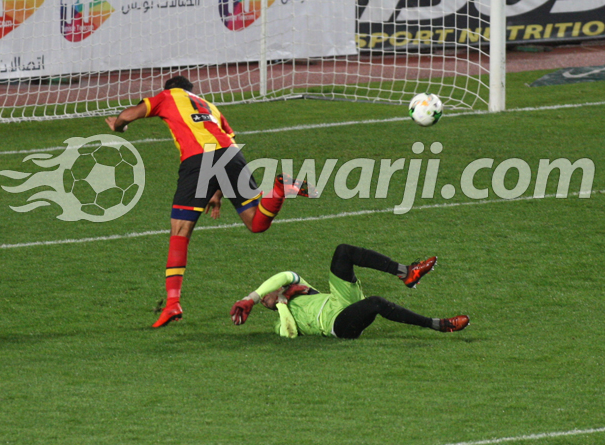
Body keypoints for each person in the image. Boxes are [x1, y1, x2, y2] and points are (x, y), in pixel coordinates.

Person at [107, 75, 312, 328]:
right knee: (256, 223)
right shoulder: (209, 106)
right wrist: (216, 190)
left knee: (180, 231)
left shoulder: (167, 97)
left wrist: (118, 126)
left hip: (198, 159)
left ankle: (172, 303)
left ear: (168, 89)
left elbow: (128, 115)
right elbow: (227, 138)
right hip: (231, 154)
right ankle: (279, 188)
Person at [229, 244, 470, 339]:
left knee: (343, 251)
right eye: (264, 303)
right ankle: (437, 324)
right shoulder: (283, 315)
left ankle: (405, 272)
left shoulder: (299, 287)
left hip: (341, 300)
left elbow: (285, 275)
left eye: (267, 296)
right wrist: (280, 304)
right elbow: (289, 333)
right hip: (337, 324)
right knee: (376, 303)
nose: (265, 301)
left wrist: (252, 297)